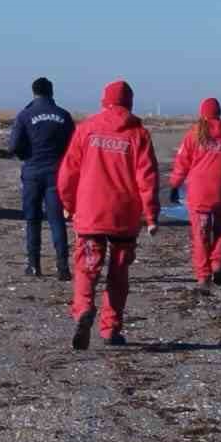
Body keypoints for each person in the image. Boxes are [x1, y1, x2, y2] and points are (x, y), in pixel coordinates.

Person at [57, 80, 159, 349]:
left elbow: (69, 171)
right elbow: (147, 179)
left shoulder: (87, 129)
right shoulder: (138, 134)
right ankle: (110, 328)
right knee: (119, 273)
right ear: (129, 103)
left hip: (91, 212)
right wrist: (151, 215)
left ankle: (83, 309)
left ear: (105, 101)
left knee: (86, 267)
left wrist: (67, 202)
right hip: (124, 215)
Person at [168, 98, 221, 292]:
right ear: (219, 112)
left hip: (199, 194)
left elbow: (182, 163)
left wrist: (174, 186)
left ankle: (203, 275)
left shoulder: (194, 134)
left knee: (200, 235)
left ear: (202, 113)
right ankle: (217, 263)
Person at [7, 77, 74, 279]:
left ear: (34, 92)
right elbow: (74, 146)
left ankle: (34, 265)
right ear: (51, 92)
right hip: (56, 173)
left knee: (33, 219)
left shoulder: (25, 114)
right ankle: (63, 267)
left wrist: (26, 155)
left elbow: (13, 145)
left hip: (33, 172)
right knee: (57, 220)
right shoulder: (63, 115)